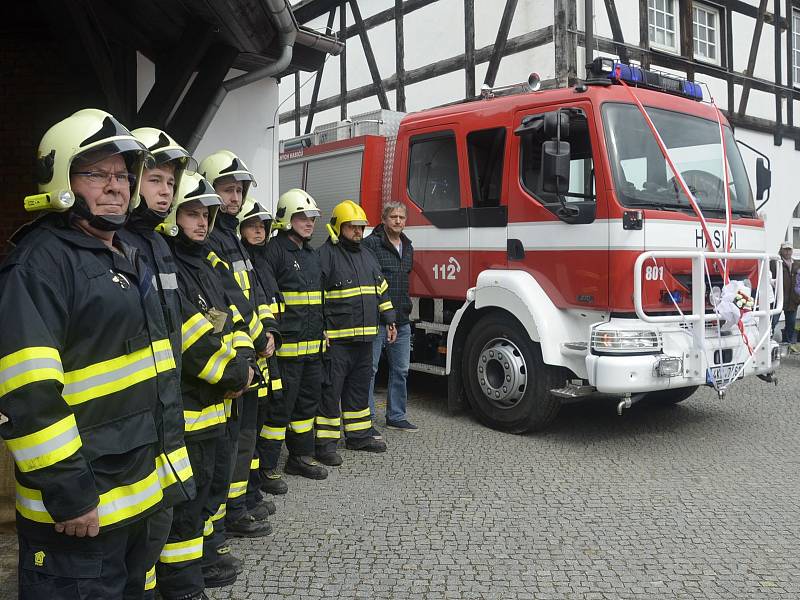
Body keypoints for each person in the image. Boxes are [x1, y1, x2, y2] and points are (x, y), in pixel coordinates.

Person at [0, 108, 169, 598]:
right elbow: (28, 394)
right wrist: (70, 494)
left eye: (122, 174)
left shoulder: (124, 252)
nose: (116, 186)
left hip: (133, 493)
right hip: (80, 509)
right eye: (97, 173)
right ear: (62, 179)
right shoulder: (37, 265)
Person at [157, 172, 254, 599]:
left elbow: (231, 318)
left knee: (211, 488)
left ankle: (203, 558)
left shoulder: (205, 262)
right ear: (174, 216)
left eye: (206, 214)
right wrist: (236, 373)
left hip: (218, 404)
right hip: (191, 407)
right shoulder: (171, 263)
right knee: (187, 500)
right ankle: (182, 584)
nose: (201, 222)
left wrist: (244, 364)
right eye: (192, 213)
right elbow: (192, 338)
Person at [121, 127, 198, 599]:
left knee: (156, 522)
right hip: (129, 421)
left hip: (162, 411)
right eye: (155, 179)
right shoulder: (117, 245)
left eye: (170, 182)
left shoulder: (157, 244)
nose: (165, 190)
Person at [198, 151, 277, 558]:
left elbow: (256, 294)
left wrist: (267, 332)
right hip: (233, 356)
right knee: (229, 444)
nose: (234, 197)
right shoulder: (211, 237)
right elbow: (222, 304)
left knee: (244, 439)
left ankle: (239, 503)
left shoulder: (231, 236)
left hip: (250, 352)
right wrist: (249, 343)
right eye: (227, 190)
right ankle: (229, 512)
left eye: (238, 190)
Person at [316, 201, 396, 465]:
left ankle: (358, 435)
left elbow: (381, 290)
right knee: (330, 393)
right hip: (337, 341)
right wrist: (320, 330)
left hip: (365, 339)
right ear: (338, 227)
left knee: (359, 391)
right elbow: (315, 299)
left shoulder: (367, 256)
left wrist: (390, 319)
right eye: (352, 227)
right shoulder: (325, 256)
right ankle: (325, 445)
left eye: (361, 227)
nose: (358, 232)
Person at [262, 188, 329, 480]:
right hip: (286, 352)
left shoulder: (311, 254)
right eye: (303, 217)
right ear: (287, 218)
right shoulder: (273, 251)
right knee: (279, 411)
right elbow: (267, 297)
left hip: (312, 349)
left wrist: (323, 330)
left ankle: (299, 457)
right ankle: (266, 468)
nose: (309, 223)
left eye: (312, 218)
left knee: (306, 407)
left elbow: (318, 300)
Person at [237, 197, 290, 498]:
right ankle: (253, 481)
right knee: (252, 423)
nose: (258, 232)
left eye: (262, 227)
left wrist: (271, 334)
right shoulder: (241, 260)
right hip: (252, 351)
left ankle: (264, 471)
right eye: (252, 226)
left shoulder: (264, 260)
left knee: (272, 412)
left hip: (271, 348)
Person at [363, 202, 418, 431]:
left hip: (401, 319)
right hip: (377, 318)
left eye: (402, 217)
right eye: (393, 217)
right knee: (370, 370)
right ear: (384, 219)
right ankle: (365, 420)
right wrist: (385, 316)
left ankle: (396, 416)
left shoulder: (408, 246)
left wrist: (400, 314)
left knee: (401, 370)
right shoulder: (371, 245)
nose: (398, 221)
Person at [772, 241, 800, 348]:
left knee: (791, 324)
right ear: (781, 250)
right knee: (772, 322)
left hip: (793, 299)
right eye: (785, 249)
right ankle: (768, 342)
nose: (788, 252)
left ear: (792, 251)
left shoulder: (797, 264)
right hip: (778, 298)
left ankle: (788, 345)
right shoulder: (775, 262)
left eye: (789, 249)